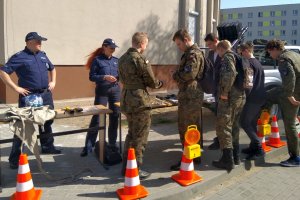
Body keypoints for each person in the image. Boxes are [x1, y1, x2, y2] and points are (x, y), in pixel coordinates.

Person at [0, 32, 61, 169]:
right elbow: (3, 72)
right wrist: (16, 88)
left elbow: (53, 68)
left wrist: (53, 82)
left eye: (41, 41)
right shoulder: (19, 57)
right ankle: (14, 158)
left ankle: (47, 146)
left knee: (47, 121)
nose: (40, 43)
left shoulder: (42, 55)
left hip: (45, 95)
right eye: (38, 41)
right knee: (22, 126)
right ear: (29, 42)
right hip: (29, 97)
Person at [118, 32, 163, 179]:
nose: (146, 46)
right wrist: (159, 83)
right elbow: (151, 81)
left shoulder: (122, 59)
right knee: (140, 137)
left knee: (131, 134)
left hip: (126, 99)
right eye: (146, 44)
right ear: (142, 44)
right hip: (139, 101)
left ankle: (125, 167)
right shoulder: (140, 59)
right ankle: (135, 170)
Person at [170, 29, 204, 171]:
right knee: (192, 126)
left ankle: (188, 157)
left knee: (187, 127)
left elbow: (190, 73)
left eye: (179, 44)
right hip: (189, 95)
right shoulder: (190, 53)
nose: (179, 47)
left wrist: (176, 75)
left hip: (190, 95)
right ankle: (194, 155)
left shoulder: (193, 54)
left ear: (185, 40)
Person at [80, 38, 120, 157]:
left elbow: (120, 75)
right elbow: (92, 77)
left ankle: (112, 144)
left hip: (115, 91)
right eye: (111, 47)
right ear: (104, 47)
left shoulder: (116, 61)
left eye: (114, 48)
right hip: (102, 92)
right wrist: (104, 77)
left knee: (115, 117)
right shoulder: (97, 60)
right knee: (97, 118)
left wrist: (118, 78)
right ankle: (88, 146)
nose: (113, 49)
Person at [265, 39, 300, 167]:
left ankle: (295, 157)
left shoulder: (283, 59)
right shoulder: (294, 54)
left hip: (293, 94)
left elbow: (290, 77)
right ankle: (266, 119)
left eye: (269, 52)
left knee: (289, 124)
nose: (270, 56)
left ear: (274, 49)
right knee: (269, 95)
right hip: (295, 91)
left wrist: (290, 95)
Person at [212, 40, 245, 171]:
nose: (218, 54)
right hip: (240, 97)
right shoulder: (238, 57)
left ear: (221, 48)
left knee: (224, 127)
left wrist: (224, 92)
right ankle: (236, 157)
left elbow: (230, 73)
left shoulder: (227, 57)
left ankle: (227, 160)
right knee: (234, 126)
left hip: (229, 98)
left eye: (217, 51)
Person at [239, 42, 266, 160]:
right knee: (252, 123)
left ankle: (259, 148)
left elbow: (248, 84)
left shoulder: (249, 63)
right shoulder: (258, 63)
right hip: (260, 97)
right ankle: (253, 146)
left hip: (252, 98)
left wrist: (244, 97)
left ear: (246, 51)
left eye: (241, 52)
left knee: (244, 122)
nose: (241, 55)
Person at [204, 33, 222, 150]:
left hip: (224, 90)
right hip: (215, 89)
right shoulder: (210, 53)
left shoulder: (225, 53)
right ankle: (219, 138)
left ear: (216, 41)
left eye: (210, 44)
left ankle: (220, 140)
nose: (209, 47)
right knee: (218, 115)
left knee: (222, 117)